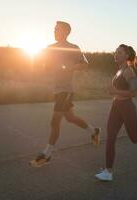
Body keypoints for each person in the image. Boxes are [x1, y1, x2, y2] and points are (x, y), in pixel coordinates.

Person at [30, 21, 100, 167]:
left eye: (57, 29)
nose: (54, 31)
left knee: (55, 121)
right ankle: (94, 130)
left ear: (66, 32)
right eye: (54, 29)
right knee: (70, 118)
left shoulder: (74, 48)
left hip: (66, 90)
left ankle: (47, 154)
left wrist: (71, 67)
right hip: (57, 89)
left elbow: (85, 64)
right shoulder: (50, 48)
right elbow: (42, 63)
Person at [95, 44, 137, 181]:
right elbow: (118, 89)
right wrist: (112, 91)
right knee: (110, 138)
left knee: (134, 138)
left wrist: (115, 91)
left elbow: (134, 92)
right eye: (115, 52)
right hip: (116, 106)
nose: (116, 54)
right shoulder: (119, 71)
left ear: (126, 55)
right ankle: (108, 171)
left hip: (127, 108)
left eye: (119, 52)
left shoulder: (129, 71)